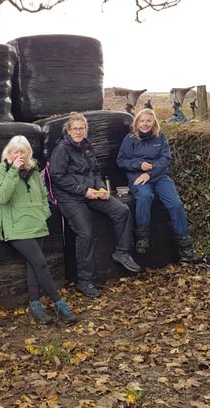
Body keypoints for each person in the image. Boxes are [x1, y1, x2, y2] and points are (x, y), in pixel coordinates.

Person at [49, 112, 141, 298]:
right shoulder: (62, 149)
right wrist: (84, 190)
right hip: (70, 197)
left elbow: (95, 171)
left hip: (91, 192)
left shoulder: (86, 147)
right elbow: (57, 178)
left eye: (81, 128)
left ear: (86, 130)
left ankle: (122, 252)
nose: (78, 131)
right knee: (85, 232)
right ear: (68, 130)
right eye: (75, 128)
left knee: (121, 210)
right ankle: (85, 280)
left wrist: (100, 188)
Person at [0, 136, 77, 325]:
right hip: (15, 227)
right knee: (40, 263)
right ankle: (58, 302)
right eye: (15, 151)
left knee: (33, 265)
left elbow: (42, 195)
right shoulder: (2, 170)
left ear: (28, 153)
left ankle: (35, 304)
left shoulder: (33, 171)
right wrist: (14, 169)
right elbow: (2, 197)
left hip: (36, 224)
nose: (19, 155)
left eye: (23, 151)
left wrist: (43, 213)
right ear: (9, 153)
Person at [116, 108, 201, 263]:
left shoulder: (160, 137)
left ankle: (186, 248)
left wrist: (150, 173)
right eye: (142, 121)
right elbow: (121, 161)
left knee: (175, 204)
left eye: (149, 120)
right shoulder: (130, 139)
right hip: (138, 176)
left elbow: (166, 159)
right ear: (136, 123)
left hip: (159, 176)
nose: (145, 124)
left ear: (154, 122)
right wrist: (139, 165)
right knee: (145, 196)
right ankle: (142, 237)